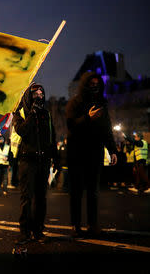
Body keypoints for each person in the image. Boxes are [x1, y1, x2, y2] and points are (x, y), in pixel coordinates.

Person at [66, 71, 117, 238]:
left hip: (95, 153)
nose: (95, 86)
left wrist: (112, 150)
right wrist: (87, 118)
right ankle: (75, 224)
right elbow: (71, 125)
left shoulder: (102, 103)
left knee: (93, 192)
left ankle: (92, 224)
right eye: (91, 84)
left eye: (97, 84)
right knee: (77, 191)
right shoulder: (75, 103)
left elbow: (107, 129)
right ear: (85, 85)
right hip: (77, 153)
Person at [11, 83, 58, 244]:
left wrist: (55, 158)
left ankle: (38, 231)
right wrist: (32, 113)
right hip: (27, 161)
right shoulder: (20, 113)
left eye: (41, 93)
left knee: (41, 198)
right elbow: (22, 130)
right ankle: (24, 231)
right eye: (35, 93)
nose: (39, 95)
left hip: (43, 161)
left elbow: (52, 137)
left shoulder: (46, 113)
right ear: (28, 96)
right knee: (27, 198)